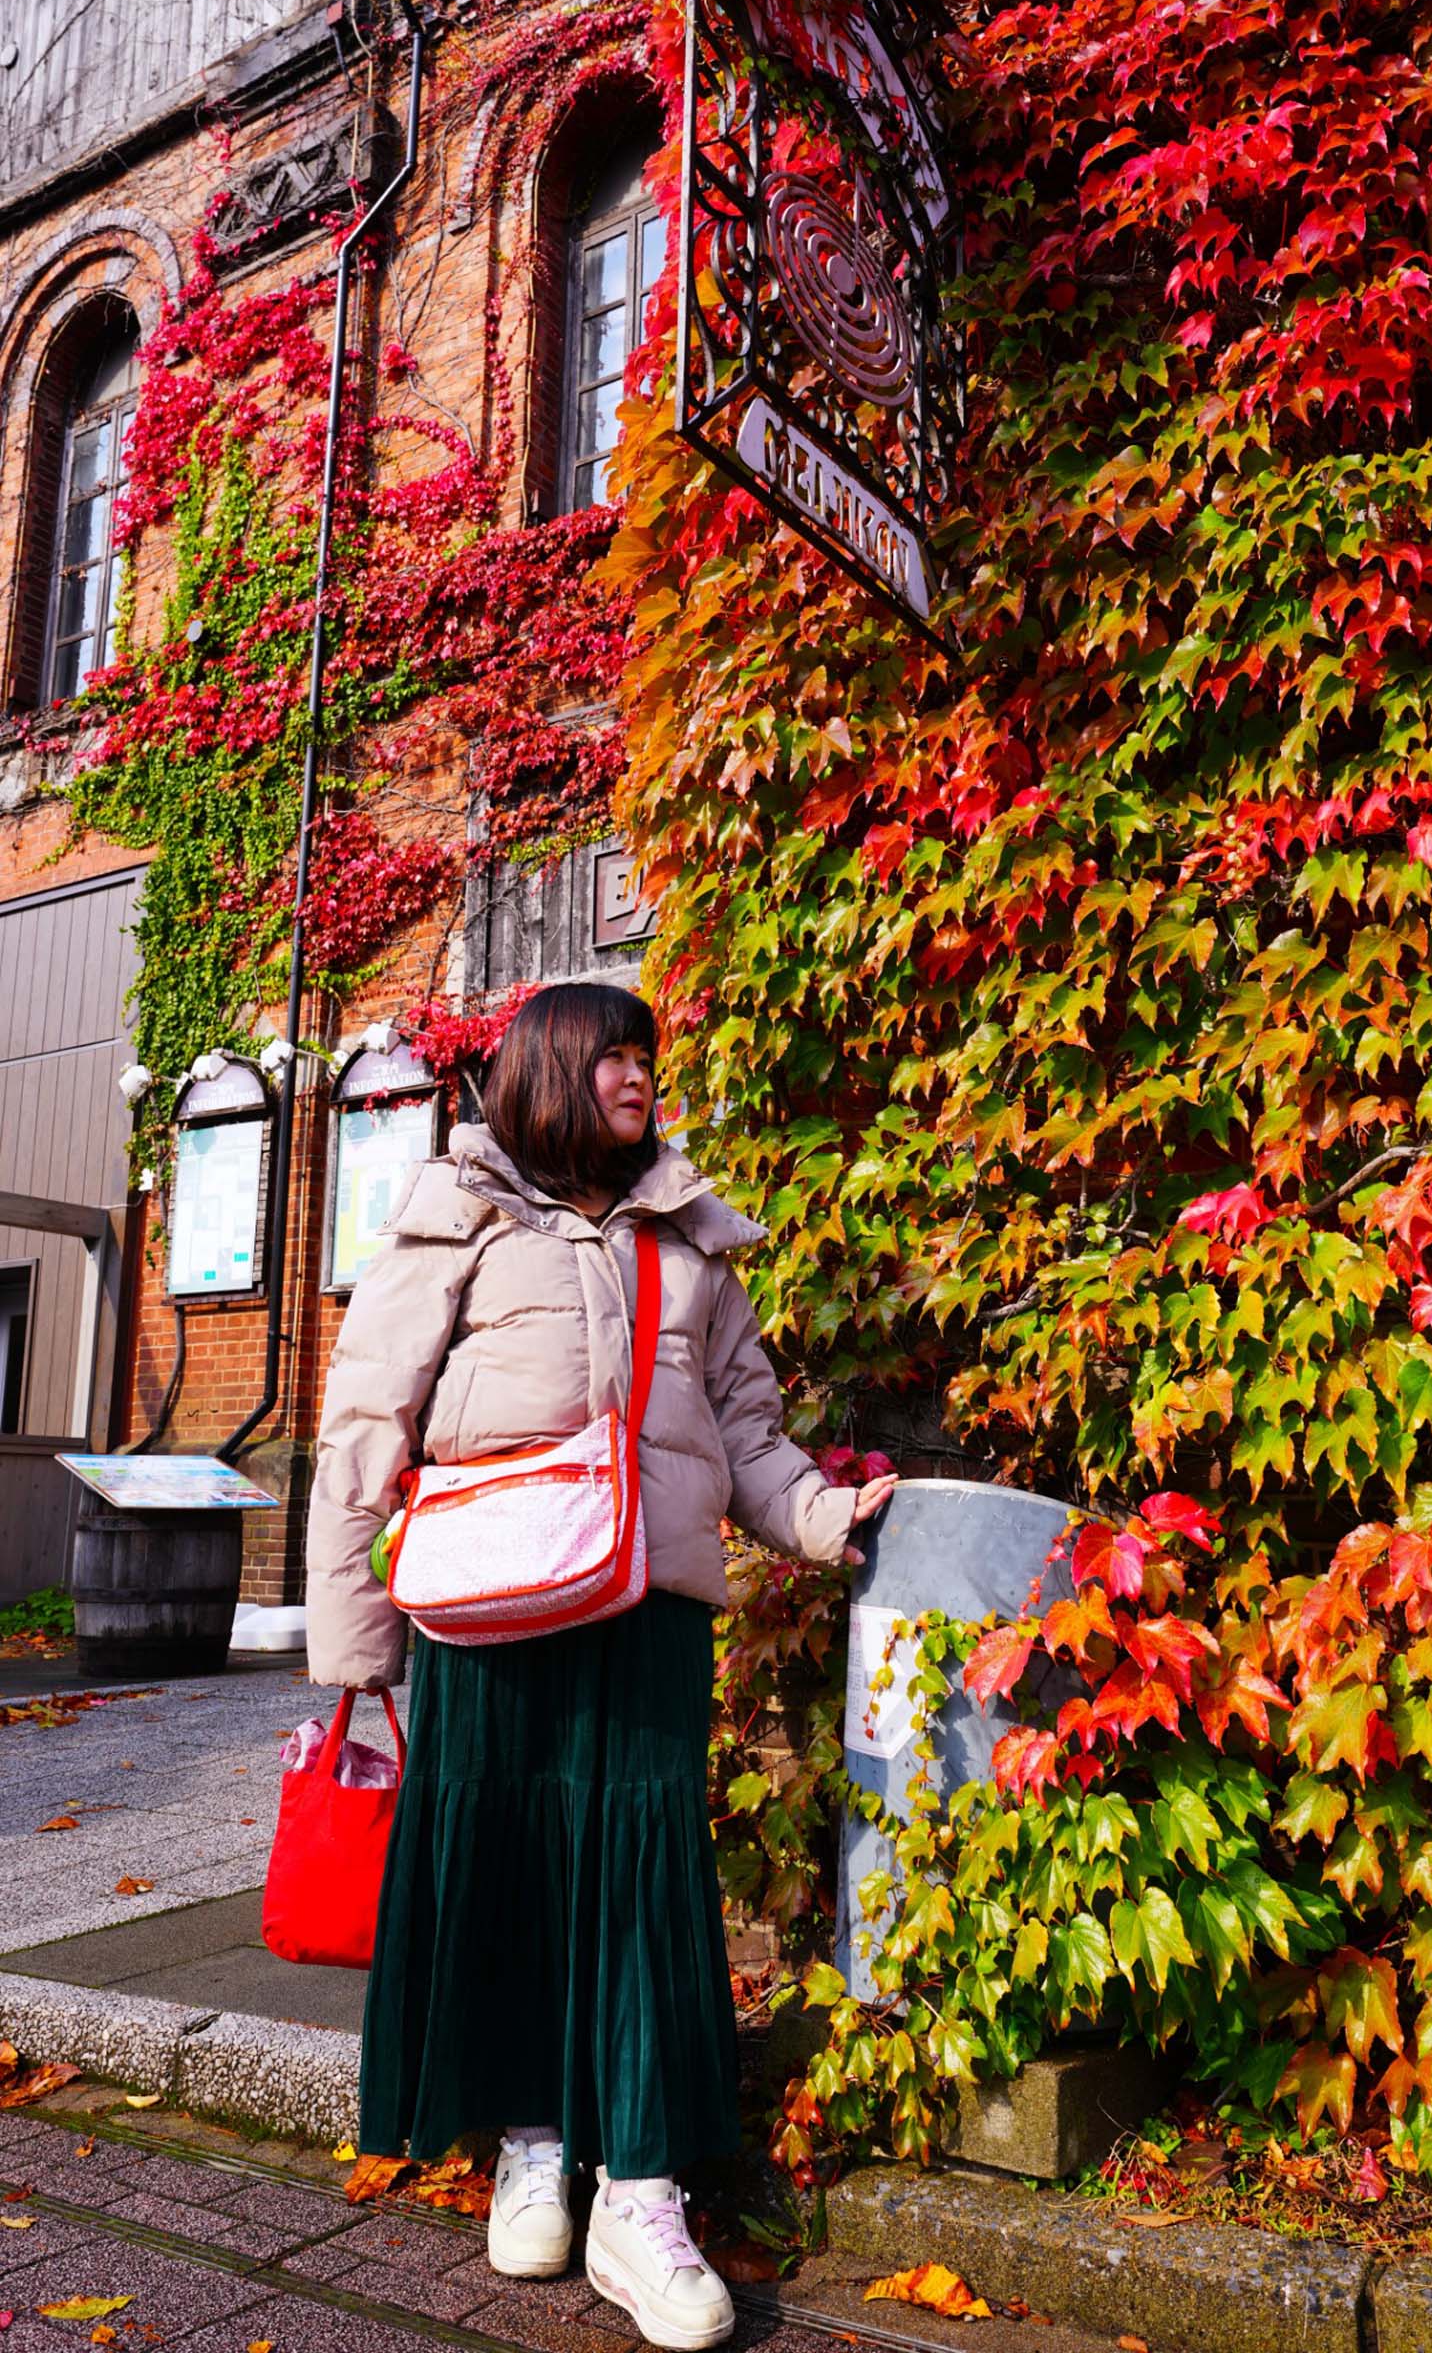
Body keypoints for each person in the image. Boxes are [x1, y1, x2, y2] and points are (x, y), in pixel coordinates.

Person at [304, 981, 896, 2351]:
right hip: (487, 1610)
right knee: (507, 1860)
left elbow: (746, 1433)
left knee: (642, 1882)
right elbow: (363, 1423)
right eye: (614, 1056)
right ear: (550, 1069)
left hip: (646, 1608)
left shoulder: (692, 1240)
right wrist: (353, 1636)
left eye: (648, 1058)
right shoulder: (456, 1215)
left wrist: (824, 1517)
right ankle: (531, 2143)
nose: (639, 1078)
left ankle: (640, 2188)